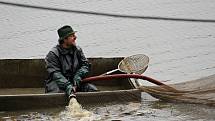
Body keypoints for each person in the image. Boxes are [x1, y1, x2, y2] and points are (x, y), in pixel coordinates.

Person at [44, 25, 97, 99]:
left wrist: (79, 75)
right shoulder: (53, 54)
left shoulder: (78, 50)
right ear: (64, 39)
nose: (75, 37)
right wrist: (67, 85)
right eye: (72, 36)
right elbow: (55, 73)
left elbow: (85, 65)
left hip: (75, 82)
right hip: (58, 84)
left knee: (92, 89)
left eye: (74, 35)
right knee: (59, 95)